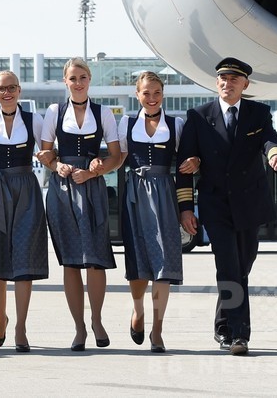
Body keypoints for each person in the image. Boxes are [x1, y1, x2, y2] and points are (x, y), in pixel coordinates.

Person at [176, 57, 277, 356]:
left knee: (242, 268)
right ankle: (238, 335)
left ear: (245, 85)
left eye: (234, 80)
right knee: (228, 266)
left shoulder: (258, 113)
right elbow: (184, 166)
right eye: (223, 79)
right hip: (216, 205)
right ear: (217, 83)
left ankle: (223, 326)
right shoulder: (198, 117)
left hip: (250, 204)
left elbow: (269, 139)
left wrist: (275, 155)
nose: (228, 84)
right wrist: (186, 209)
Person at [37, 57, 121, 351]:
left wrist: (98, 168)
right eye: (73, 78)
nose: (78, 82)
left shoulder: (104, 113)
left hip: (92, 186)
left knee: (95, 260)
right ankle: (80, 328)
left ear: (89, 80)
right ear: (66, 82)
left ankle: (97, 320)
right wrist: (56, 165)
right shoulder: (54, 112)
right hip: (63, 189)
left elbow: (116, 156)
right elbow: (46, 153)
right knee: (71, 261)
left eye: (82, 77)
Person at [0, 70, 47, 353]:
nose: (7, 92)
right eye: (1, 89)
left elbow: (49, 152)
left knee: (24, 255)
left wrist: (48, 157)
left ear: (20, 90)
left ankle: (21, 326)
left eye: (11, 87)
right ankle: (0, 319)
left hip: (25, 189)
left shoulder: (34, 120)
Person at [115, 71, 184, 353]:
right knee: (138, 263)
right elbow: (117, 158)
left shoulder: (176, 124)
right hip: (135, 194)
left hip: (165, 194)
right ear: (137, 95)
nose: (152, 98)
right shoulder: (127, 123)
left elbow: (185, 164)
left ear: (163, 94)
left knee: (163, 264)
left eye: (156, 93)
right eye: (146, 93)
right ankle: (138, 310)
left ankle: (157, 329)